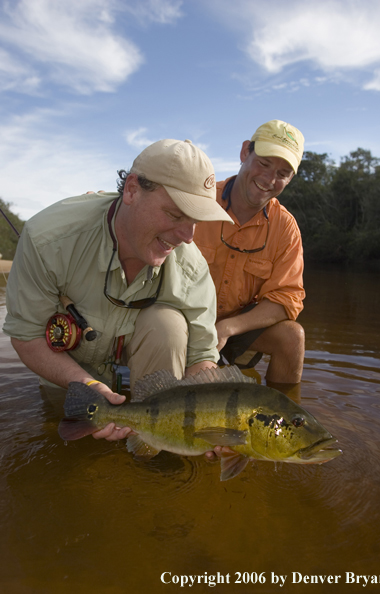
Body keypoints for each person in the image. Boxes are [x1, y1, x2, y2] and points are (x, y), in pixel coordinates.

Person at [3, 139, 233, 441]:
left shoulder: (192, 267)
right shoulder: (47, 239)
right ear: (132, 190)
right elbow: (27, 335)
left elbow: (201, 356)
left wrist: (209, 425)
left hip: (157, 393)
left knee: (170, 325)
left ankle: (153, 444)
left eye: (196, 221)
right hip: (69, 375)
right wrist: (86, 386)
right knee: (63, 441)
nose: (187, 237)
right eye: (176, 215)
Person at [193, 120, 306, 389]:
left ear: (291, 178)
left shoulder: (286, 227)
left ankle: (285, 418)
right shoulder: (198, 200)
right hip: (183, 321)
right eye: (264, 163)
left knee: (293, 337)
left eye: (283, 172)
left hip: (234, 329)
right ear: (245, 152)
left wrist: (230, 327)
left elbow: (286, 299)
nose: (269, 179)